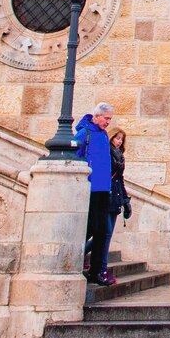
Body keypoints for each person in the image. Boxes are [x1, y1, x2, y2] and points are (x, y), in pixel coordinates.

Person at [75, 103, 116, 286]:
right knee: (91, 227)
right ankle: (76, 259)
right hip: (90, 188)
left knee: (103, 231)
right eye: (106, 118)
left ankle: (96, 271)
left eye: (109, 119)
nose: (108, 122)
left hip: (104, 189)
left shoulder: (104, 135)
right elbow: (76, 157)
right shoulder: (85, 133)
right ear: (97, 116)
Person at [105, 127, 131, 258]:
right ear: (111, 138)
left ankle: (101, 264)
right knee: (105, 232)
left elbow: (120, 179)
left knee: (108, 234)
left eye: (122, 139)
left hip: (116, 196)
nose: (119, 141)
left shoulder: (120, 156)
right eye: (117, 138)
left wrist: (126, 200)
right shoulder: (107, 152)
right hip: (106, 194)